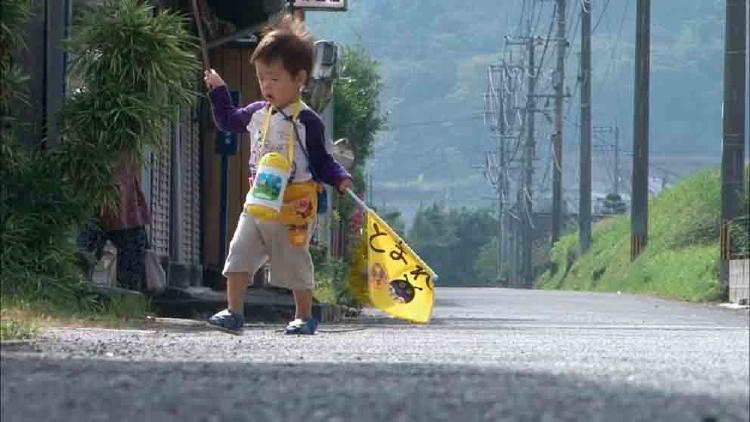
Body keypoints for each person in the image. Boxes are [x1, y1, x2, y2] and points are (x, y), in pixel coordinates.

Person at [203, 16, 352, 335]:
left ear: (299, 78)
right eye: (261, 78)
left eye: (274, 78)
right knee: (239, 253)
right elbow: (228, 121)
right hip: (258, 200)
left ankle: (303, 315)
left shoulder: (308, 121)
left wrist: (339, 178)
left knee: (294, 259)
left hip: (293, 205)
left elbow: (322, 160)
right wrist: (218, 92)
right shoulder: (257, 113)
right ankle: (233, 311)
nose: (265, 86)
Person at [77, 154, 151, 292]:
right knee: (131, 268)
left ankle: (128, 301)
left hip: (118, 207)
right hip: (120, 209)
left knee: (84, 257)